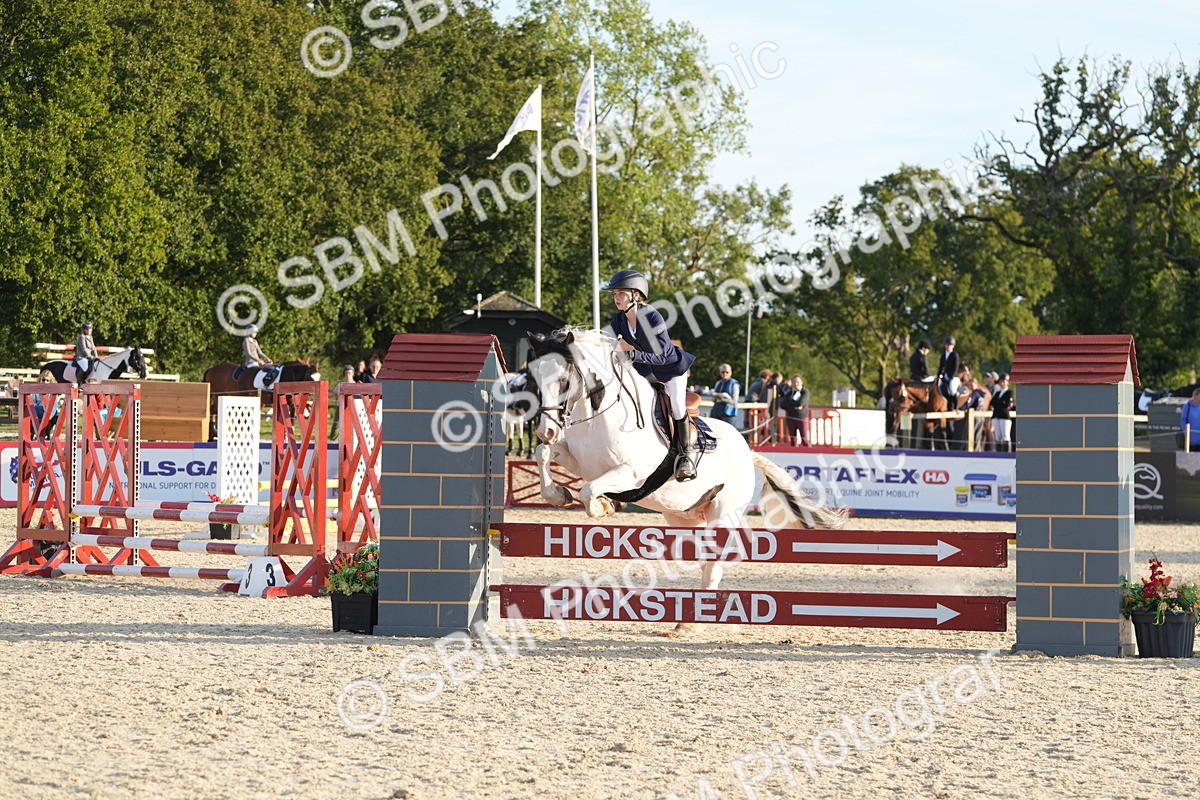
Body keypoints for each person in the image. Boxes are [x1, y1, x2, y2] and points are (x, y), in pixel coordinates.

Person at [604, 269, 698, 481]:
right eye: (615, 294)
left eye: (621, 293)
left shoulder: (652, 317)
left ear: (636, 295)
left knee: (676, 405)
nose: (616, 298)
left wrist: (632, 354)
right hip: (645, 371)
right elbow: (610, 342)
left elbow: (663, 356)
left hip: (671, 370)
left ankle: (685, 458)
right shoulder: (619, 320)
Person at [779, 374, 810, 446]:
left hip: (801, 418)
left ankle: (811, 454)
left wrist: (790, 404)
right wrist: (793, 406)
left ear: (801, 382)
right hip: (790, 417)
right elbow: (782, 404)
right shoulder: (789, 393)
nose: (796, 384)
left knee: (804, 439)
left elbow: (800, 403)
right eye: (794, 382)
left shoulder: (805, 392)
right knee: (793, 440)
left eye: (797, 382)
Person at [991, 373, 1015, 452]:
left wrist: (999, 403)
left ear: (1007, 382)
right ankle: (999, 452)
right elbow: (992, 402)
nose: (1002, 383)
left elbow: (1007, 403)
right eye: (1001, 381)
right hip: (996, 415)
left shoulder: (1009, 393)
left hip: (1004, 416)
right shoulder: (998, 393)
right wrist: (1000, 403)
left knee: (1005, 435)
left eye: (1004, 381)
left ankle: (1006, 453)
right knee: (998, 436)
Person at [937, 336, 961, 401]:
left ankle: (955, 404)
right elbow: (941, 366)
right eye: (947, 345)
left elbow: (956, 367)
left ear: (953, 346)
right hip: (945, 375)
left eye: (950, 345)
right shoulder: (943, 355)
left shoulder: (955, 355)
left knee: (952, 389)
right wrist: (938, 375)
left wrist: (951, 376)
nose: (948, 346)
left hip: (954, 376)